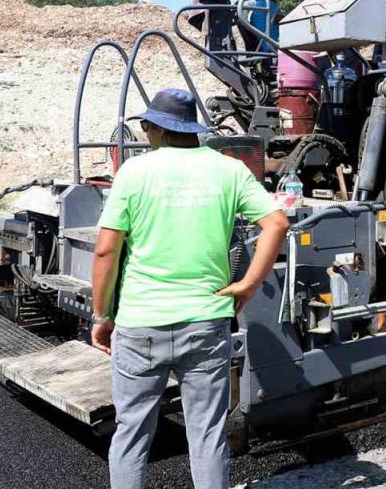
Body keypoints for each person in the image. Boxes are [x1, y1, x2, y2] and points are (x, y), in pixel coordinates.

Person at [89, 88, 289, 489]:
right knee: (207, 433)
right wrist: (248, 285)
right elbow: (277, 223)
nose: (146, 133)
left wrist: (101, 316)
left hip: (141, 323)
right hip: (206, 322)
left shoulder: (134, 172)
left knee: (131, 434)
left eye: (148, 127)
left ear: (159, 130)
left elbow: (106, 250)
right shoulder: (229, 170)